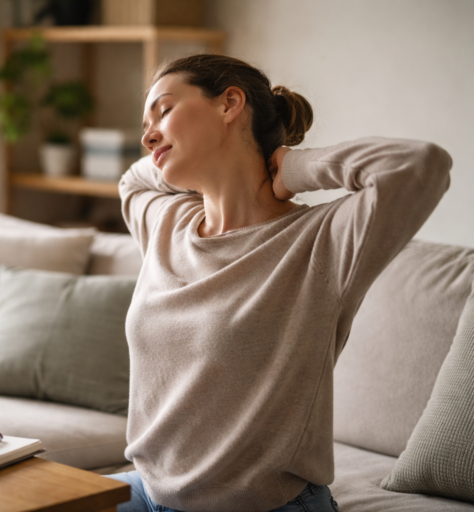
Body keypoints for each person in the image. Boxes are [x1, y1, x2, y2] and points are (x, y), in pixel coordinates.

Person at [106, 54, 452, 512]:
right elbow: (132, 180)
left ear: (230, 103)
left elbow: (420, 165)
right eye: (147, 123)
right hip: (149, 492)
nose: (149, 135)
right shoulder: (165, 221)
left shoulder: (323, 241)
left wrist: (289, 168)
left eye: (164, 110)